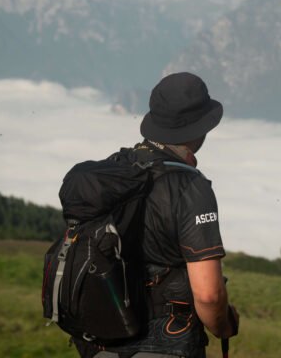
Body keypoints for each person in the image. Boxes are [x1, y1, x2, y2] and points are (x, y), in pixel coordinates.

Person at [75, 72, 238, 358]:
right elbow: (208, 294)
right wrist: (225, 326)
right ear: (201, 128)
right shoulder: (191, 188)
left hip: (100, 345)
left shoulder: (115, 169)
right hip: (166, 345)